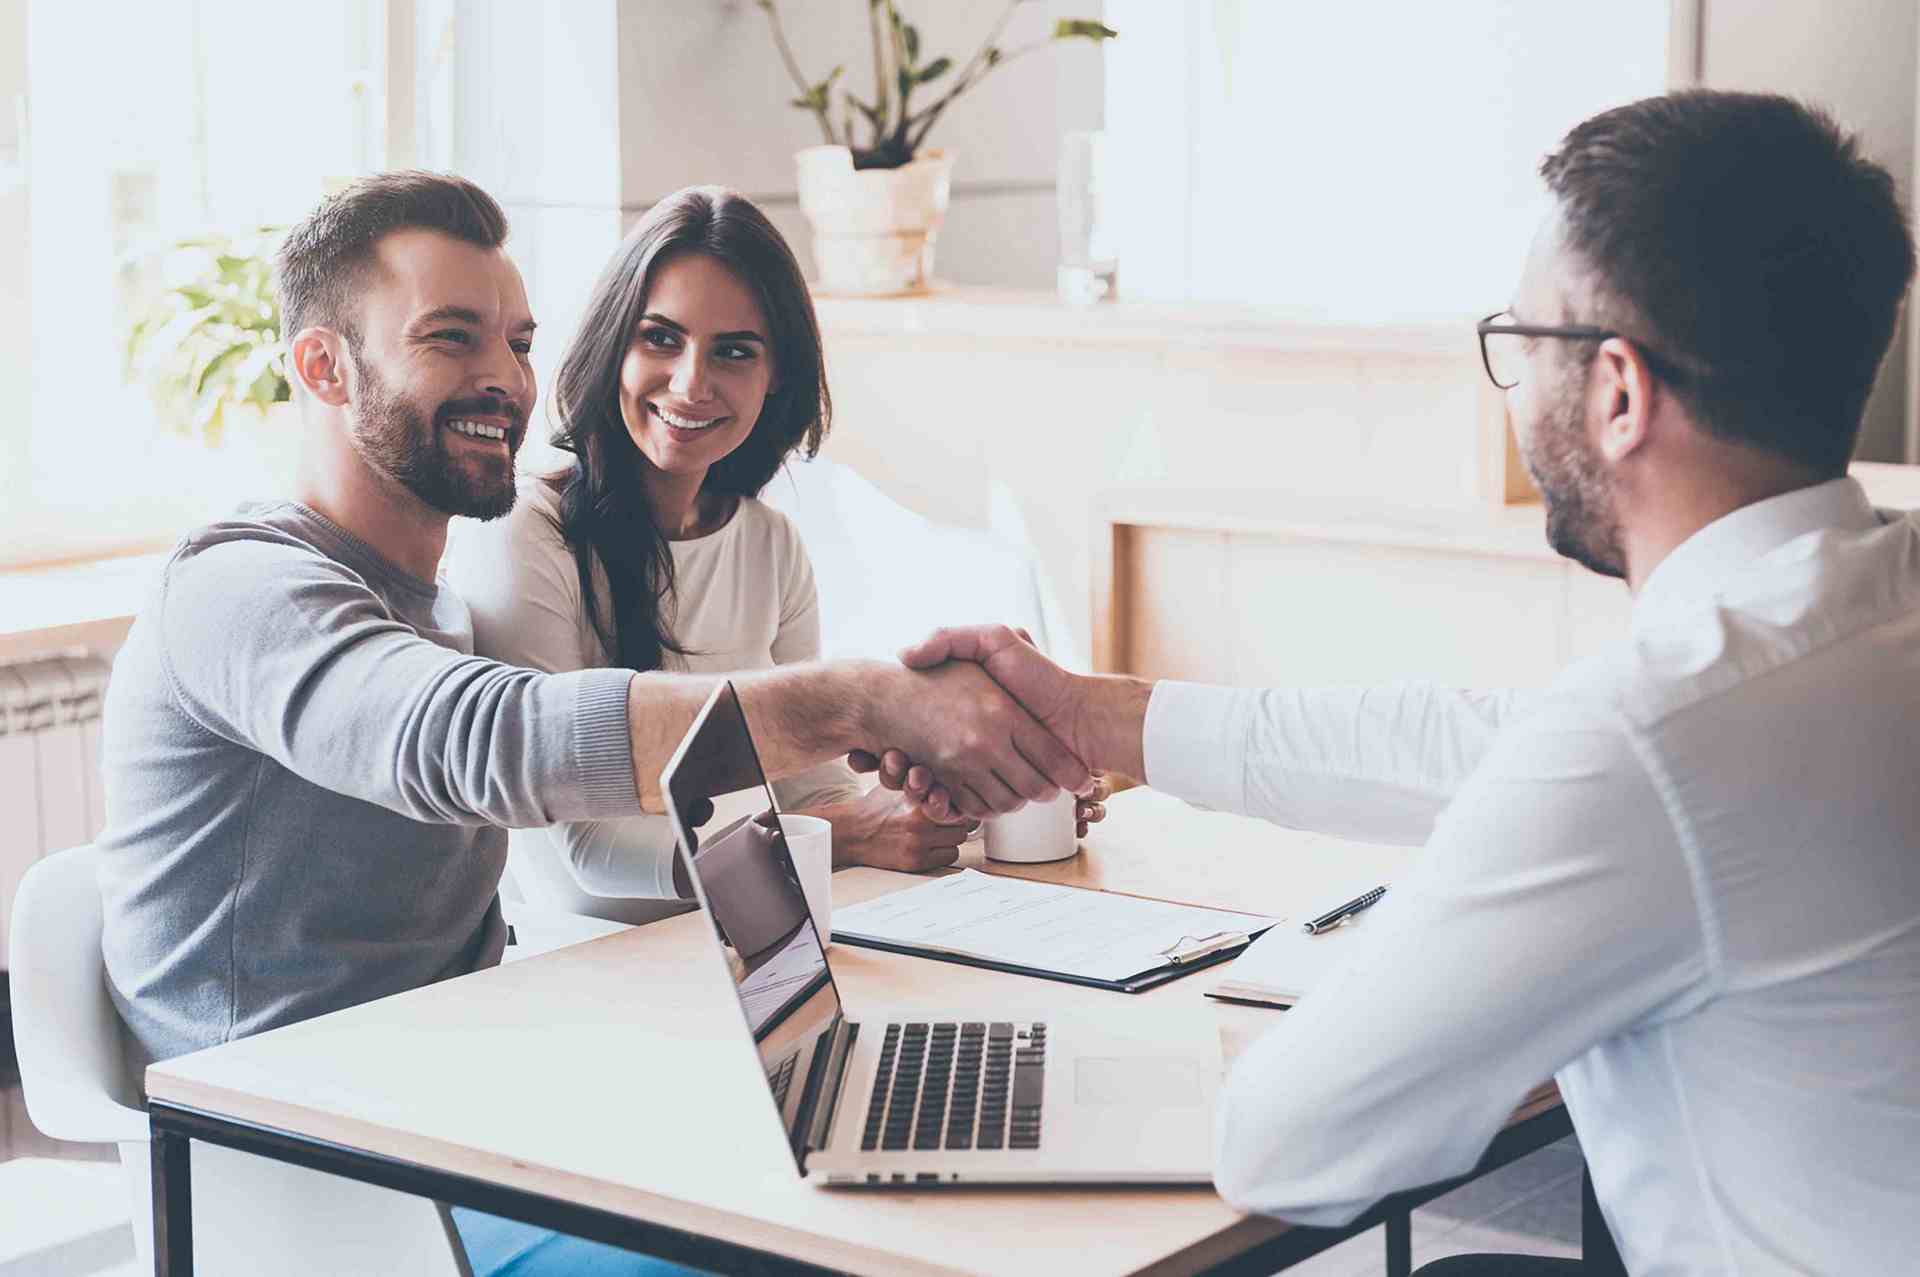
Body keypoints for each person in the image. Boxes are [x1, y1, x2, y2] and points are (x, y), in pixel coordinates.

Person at [870, 92, 1920, 1275]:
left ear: (1619, 392)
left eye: (1527, 342)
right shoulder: (1850, 621)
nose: (1515, 385)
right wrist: (1093, 714)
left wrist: (1439, 945)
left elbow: (1287, 1145)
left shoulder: (1663, 738)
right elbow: (1482, 746)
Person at [95, 171, 1090, 1276]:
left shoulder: (435, 604)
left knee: (918, 1172)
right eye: (451, 338)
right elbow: (478, 742)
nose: (503, 380)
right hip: (310, 1176)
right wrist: (860, 698)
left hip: (467, 1106)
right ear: (325, 367)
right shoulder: (243, 589)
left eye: (516, 341)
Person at [446, 186, 1105, 925]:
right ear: (612, 345)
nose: (692, 382)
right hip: (596, 967)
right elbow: (586, 858)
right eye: (661, 338)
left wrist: (995, 795)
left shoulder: (768, 543)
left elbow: (812, 794)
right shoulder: (524, 533)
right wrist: (844, 839)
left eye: (733, 351)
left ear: (775, 378)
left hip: (754, 943)